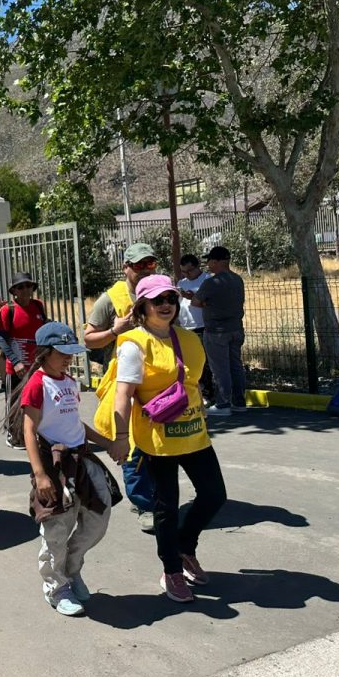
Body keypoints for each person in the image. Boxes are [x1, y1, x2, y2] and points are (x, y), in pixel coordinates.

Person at [108, 275, 227, 603]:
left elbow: (193, 383)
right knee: (166, 506)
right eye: (157, 300)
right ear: (142, 307)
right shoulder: (134, 344)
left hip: (194, 433)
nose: (166, 305)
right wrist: (121, 437)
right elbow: (123, 394)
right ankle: (171, 569)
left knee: (214, 495)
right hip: (157, 438)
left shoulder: (189, 339)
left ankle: (185, 548)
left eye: (171, 299)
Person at [22, 322, 122, 617]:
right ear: (45, 352)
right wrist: (40, 475)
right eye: (62, 353)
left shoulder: (68, 381)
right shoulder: (37, 384)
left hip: (82, 460)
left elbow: (75, 423)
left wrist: (107, 443)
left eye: (71, 352)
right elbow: (29, 431)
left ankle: (71, 568)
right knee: (57, 529)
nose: (69, 358)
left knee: (98, 518)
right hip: (54, 467)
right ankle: (56, 588)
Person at [85, 242, 161, 534]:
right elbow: (89, 339)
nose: (145, 270)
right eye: (139, 265)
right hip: (124, 383)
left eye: (150, 264)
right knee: (132, 446)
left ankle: (154, 495)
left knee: (156, 443)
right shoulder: (110, 299)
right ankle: (143, 504)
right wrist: (115, 330)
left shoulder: (159, 292)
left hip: (156, 381)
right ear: (125, 267)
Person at [192, 246, 247, 417]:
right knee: (236, 366)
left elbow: (195, 302)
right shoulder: (237, 279)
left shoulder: (211, 282)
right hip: (236, 328)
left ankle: (223, 403)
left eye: (209, 261)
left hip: (216, 331)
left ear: (216, 262)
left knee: (220, 368)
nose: (208, 265)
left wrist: (204, 303)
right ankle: (239, 401)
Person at [0, 272, 47, 447]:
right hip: (16, 367)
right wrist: (15, 361)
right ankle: (14, 434)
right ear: (14, 291)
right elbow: (1, 339)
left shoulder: (38, 306)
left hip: (36, 365)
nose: (25, 290)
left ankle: (33, 433)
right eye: (20, 287)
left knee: (36, 400)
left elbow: (43, 330)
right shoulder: (8, 310)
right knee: (15, 401)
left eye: (28, 286)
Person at [176, 254, 213, 405]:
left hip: (202, 326)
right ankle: (193, 392)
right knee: (188, 363)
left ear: (198, 267)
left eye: (189, 271)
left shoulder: (207, 280)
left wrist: (193, 297)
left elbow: (211, 304)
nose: (187, 274)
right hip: (185, 328)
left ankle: (207, 393)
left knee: (203, 363)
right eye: (183, 271)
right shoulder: (181, 283)